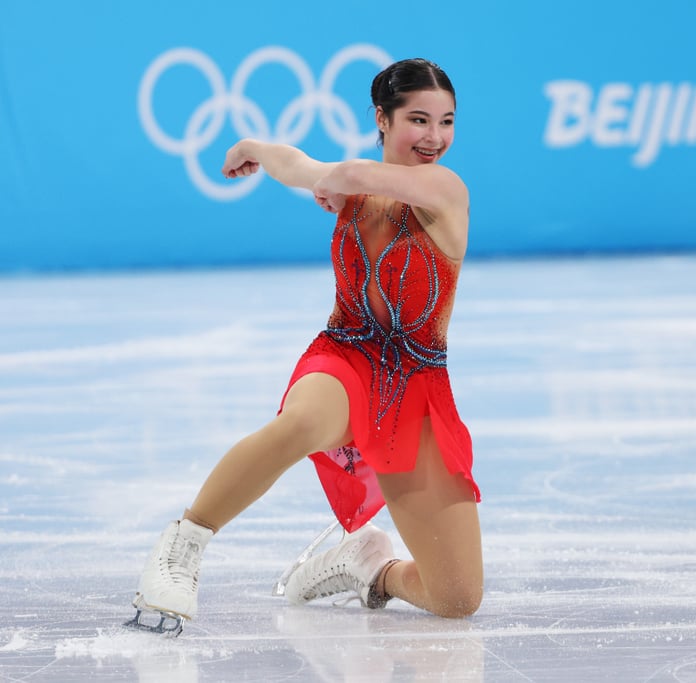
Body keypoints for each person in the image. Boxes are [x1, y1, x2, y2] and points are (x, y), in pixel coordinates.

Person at [128, 58, 482, 634]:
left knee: (458, 596)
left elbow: (346, 175)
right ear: (383, 120)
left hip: (416, 384)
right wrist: (258, 148)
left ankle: (368, 565)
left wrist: (337, 177)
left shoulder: (444, 189)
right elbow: (303, 167)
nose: (435, 137)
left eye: (447, 122)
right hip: (345, 354)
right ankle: (183, 545)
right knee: (302, 422)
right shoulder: (354, 185)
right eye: (419, 120)